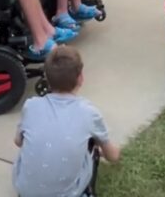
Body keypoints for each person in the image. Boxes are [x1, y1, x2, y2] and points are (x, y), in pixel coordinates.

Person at [13, 46, 119, 197]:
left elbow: (18, 142)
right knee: (91, 145)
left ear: (47, 79)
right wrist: (111, 152)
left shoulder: (31, 105)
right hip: (67, 194)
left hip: (25, 192)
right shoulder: (89, 113)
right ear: (80, 78)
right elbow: (112, 156)